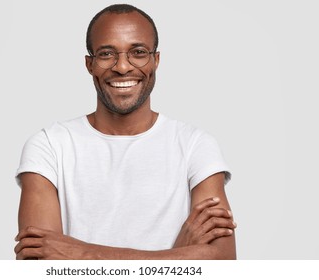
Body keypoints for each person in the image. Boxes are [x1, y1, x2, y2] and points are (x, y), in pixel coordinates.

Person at [14, 4, 237, 260]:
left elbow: (223, 262)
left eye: (138, 52)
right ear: (90, 64)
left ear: (156, 60)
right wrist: (178, 254)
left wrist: (82, 253)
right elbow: (40, 265)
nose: (122, 67)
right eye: (107, 54)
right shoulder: (49, 146)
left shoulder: (195, 146)